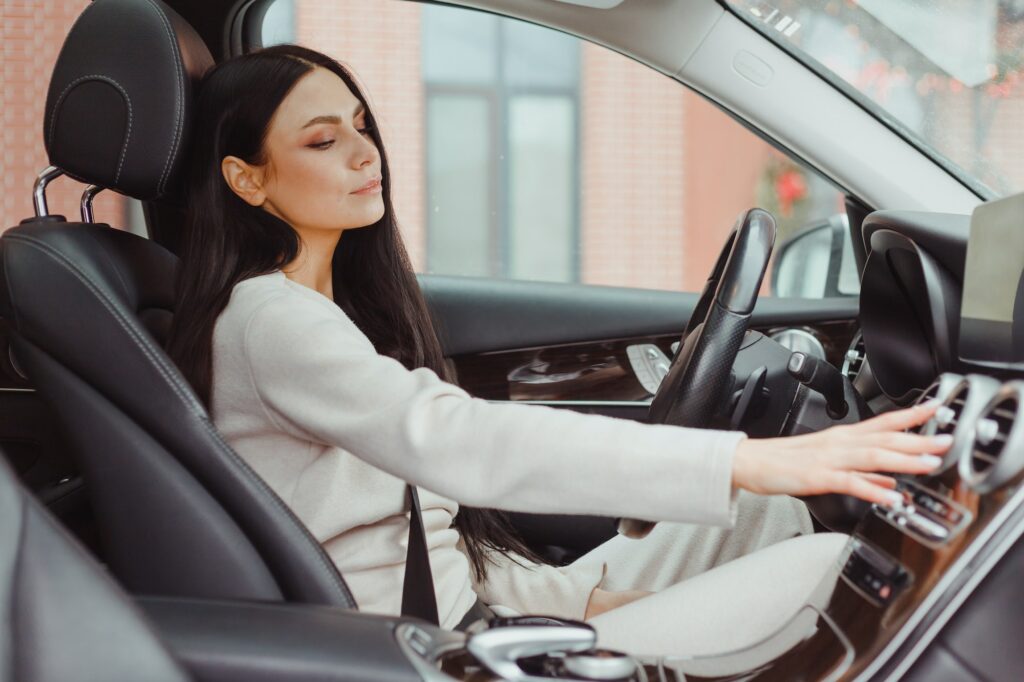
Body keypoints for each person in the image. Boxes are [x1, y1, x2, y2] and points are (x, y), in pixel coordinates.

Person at [165, 44, 949, 659]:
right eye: (323, 140)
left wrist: (589, 605)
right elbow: (462, 443)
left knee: (763, 518)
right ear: (247, 180)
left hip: (488, 612)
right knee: (840, 569)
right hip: (442, 654)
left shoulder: (318, 311)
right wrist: (746, 457)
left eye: (362, 126)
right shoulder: (270, 321)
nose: (365, 154)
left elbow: (431, 547)